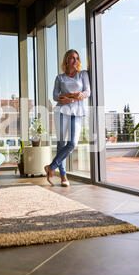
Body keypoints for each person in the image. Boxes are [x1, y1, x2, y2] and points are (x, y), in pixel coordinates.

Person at [44, 49, 90, 187]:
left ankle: (51, 167)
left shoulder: (83, 74)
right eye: (71, 58)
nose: (75, 61)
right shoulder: (60, 78)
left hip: (77, 112)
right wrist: (67, 97)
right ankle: (63, 176)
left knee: (72, 144)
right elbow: (55, 95)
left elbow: (87, 91)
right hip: (62, 111)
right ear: (66, 60)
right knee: (61, 144)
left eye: (77, 58)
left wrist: (78, 95)